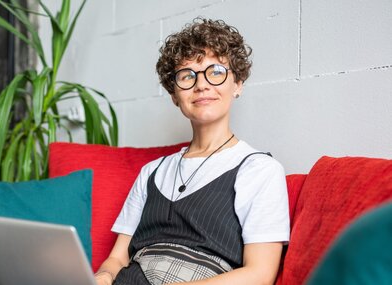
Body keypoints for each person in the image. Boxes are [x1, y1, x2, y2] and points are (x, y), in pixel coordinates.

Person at [94, 18, 290, 285]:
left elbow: (259, 274)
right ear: (175, 94)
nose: (202, 85)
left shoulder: (258, 170)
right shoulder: (152, 172)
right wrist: (102, 277)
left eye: (216, 71)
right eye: (187, 76)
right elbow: (117, 258)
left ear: (238, 83)